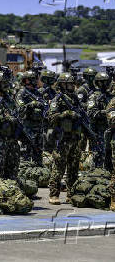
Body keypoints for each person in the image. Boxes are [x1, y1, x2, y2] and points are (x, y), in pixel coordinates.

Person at [46, 72, 82, 205]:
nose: (73, 86)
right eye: (70, 84)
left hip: (75, 138)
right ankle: (54, 194)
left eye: (73, 84)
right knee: (59, 167)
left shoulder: (75, 99)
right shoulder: (58, 99)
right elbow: (51, 117)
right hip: (62, 138)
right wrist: (65, 114)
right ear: (63, 85)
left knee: (73, 168)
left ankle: (71, 194)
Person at [15, 71, 45, 166]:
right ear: (27, 80)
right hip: (27, 126)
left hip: (38, 126)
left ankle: (38, 168)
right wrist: (31, 105)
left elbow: (45, 106)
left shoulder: (37, 93)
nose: (35, 81)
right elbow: (20, 108)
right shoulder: (22, 93)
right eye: (33, 79)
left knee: (38, 150)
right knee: (26, 151)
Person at [87, 72, 112, 169]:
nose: (105, 84)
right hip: (98, 131)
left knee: (109, 154)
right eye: (102, 82)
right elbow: (91, 113)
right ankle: (96, 175)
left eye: (106, 82)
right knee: (98, 154)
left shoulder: (110, 96)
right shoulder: (94, 97)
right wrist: (106, 112)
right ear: (97, 83)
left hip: (109, 130)